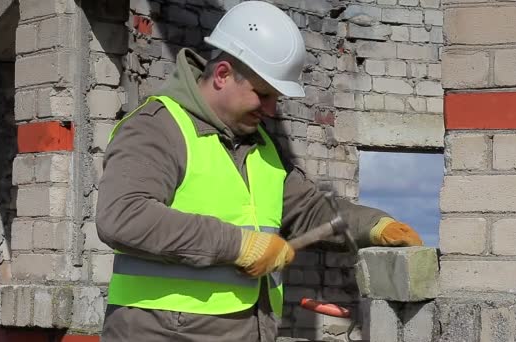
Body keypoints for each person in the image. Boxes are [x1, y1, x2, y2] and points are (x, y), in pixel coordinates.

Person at [96, 1, 423, 341]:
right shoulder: (158, 128)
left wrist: (376, 226)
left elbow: (311, 210)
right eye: (263, 94)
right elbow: (123, 216)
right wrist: (240, 245)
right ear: (222, 75)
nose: (271, 109)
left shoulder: (258, 144)